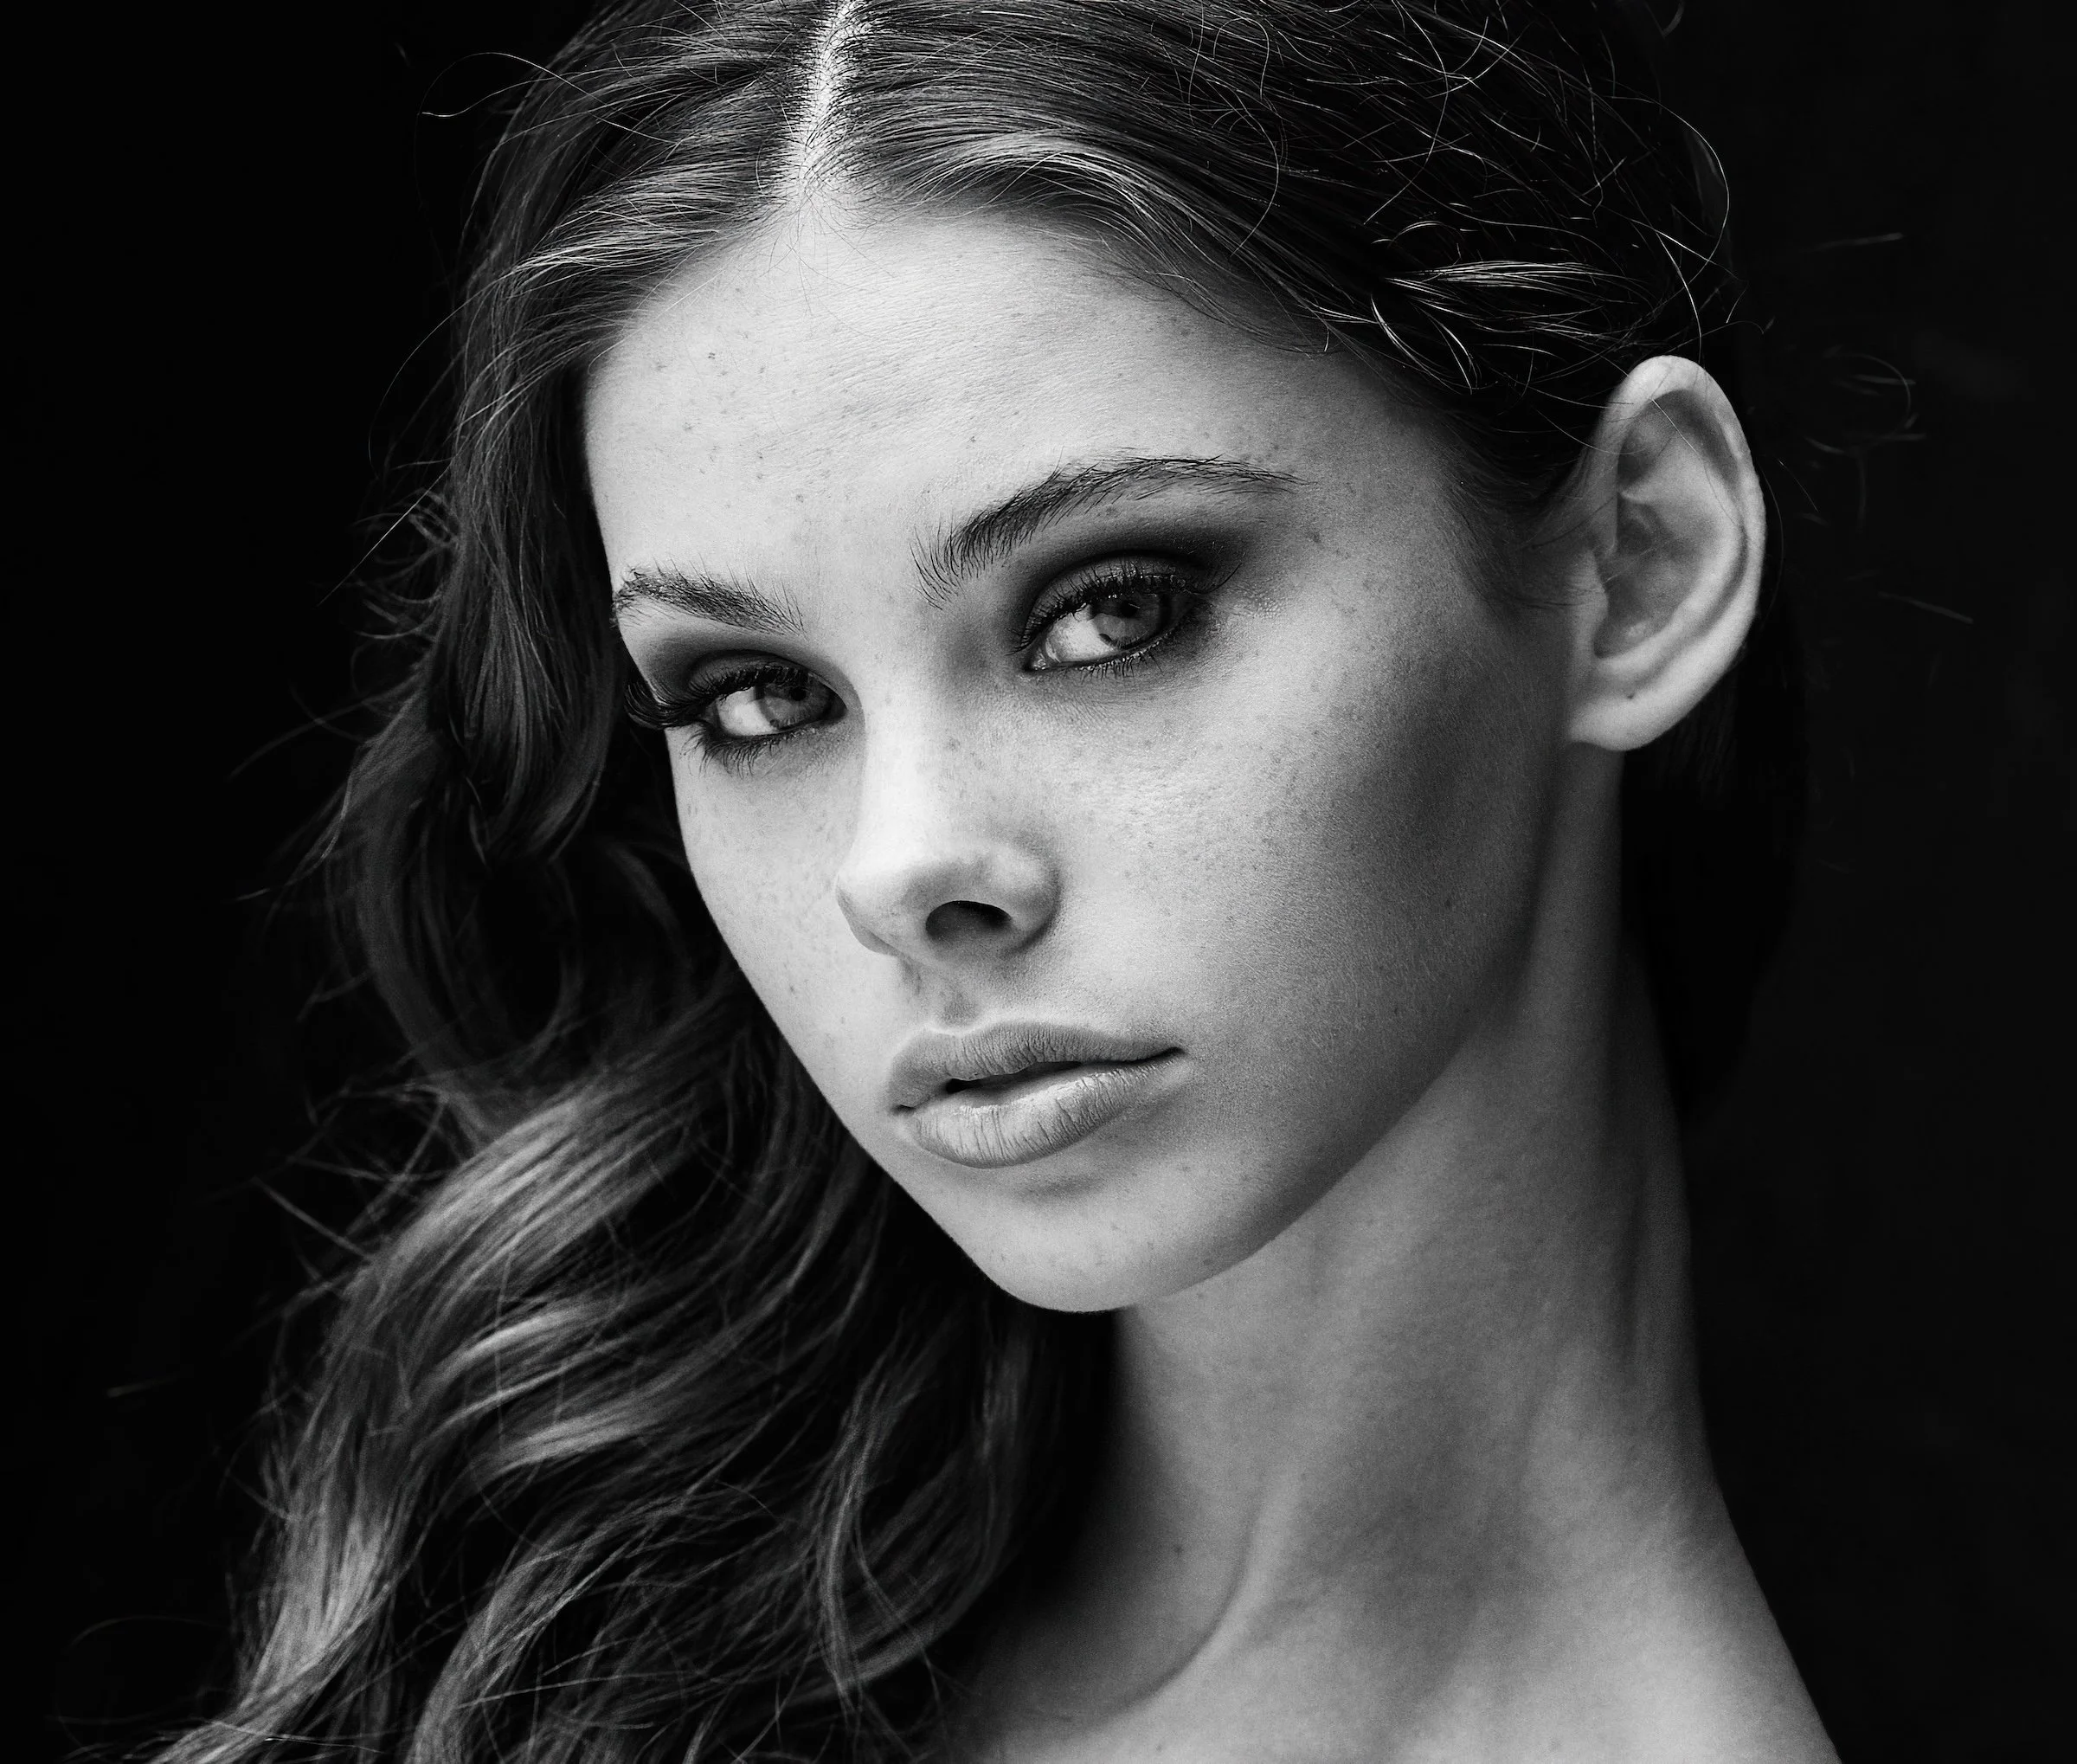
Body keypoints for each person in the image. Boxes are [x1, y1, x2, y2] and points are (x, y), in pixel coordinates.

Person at [165, 2, 1831, 1758]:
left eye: (1113, 607)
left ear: (1643, 561)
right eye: (760, 698)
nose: (898, 869)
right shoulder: (575, 1601)